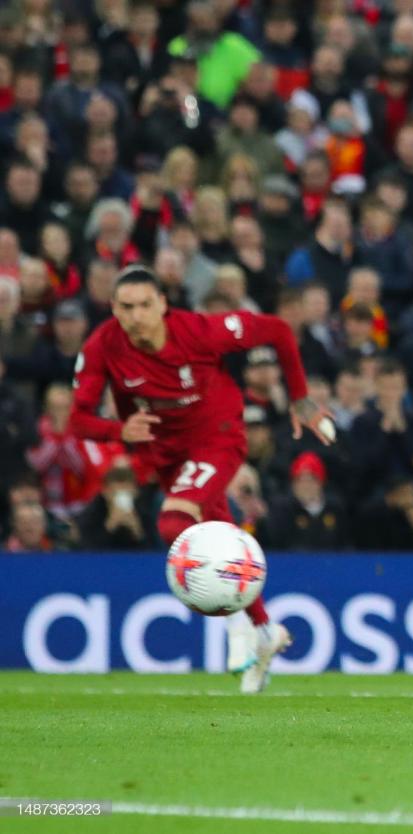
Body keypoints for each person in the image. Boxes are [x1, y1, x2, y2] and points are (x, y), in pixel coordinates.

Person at [68, 266, 334, 694]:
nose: (135, 316)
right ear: (113, 308)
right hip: (167, 452)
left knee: (173, 524)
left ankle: (234, 626)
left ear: (163, 305)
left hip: (218, 436)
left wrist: (301, 399)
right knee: (219, 532)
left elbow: (279, 330)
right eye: (125, 307)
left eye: (144, 306)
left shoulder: (201, 331)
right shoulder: (102, 345)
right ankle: (265, 630)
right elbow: (78, 419)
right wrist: (118, 432)